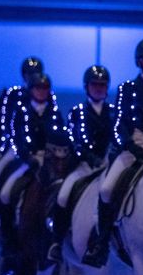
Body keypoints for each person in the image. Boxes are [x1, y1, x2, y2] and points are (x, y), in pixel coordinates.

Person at [82, 38, 143, 267]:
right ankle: (102, 244)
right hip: (134, 151)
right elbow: (118, 125)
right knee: (106, 189)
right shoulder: (127, 89)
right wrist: (129, 144)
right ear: (140, 61)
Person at [47, 65, 115, 262]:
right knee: (63, 194)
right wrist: (89, 157)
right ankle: (57, 242)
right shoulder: (77, 112)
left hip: (108, 166)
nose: (99, 89)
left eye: (103, 85)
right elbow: (75, 142)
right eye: (95, 85)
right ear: (87, 87)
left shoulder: (113, 112)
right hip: (84, 167)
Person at [0, 71, 68, 205]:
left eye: (45, 88)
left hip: (50, 158)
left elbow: (60, 137)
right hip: (27, 158)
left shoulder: (54, 112)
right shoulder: (20, 111)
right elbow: (16, 137)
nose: (42, 91)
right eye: (38, 88)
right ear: (31, 89)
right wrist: (27, 157)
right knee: (5, 193)